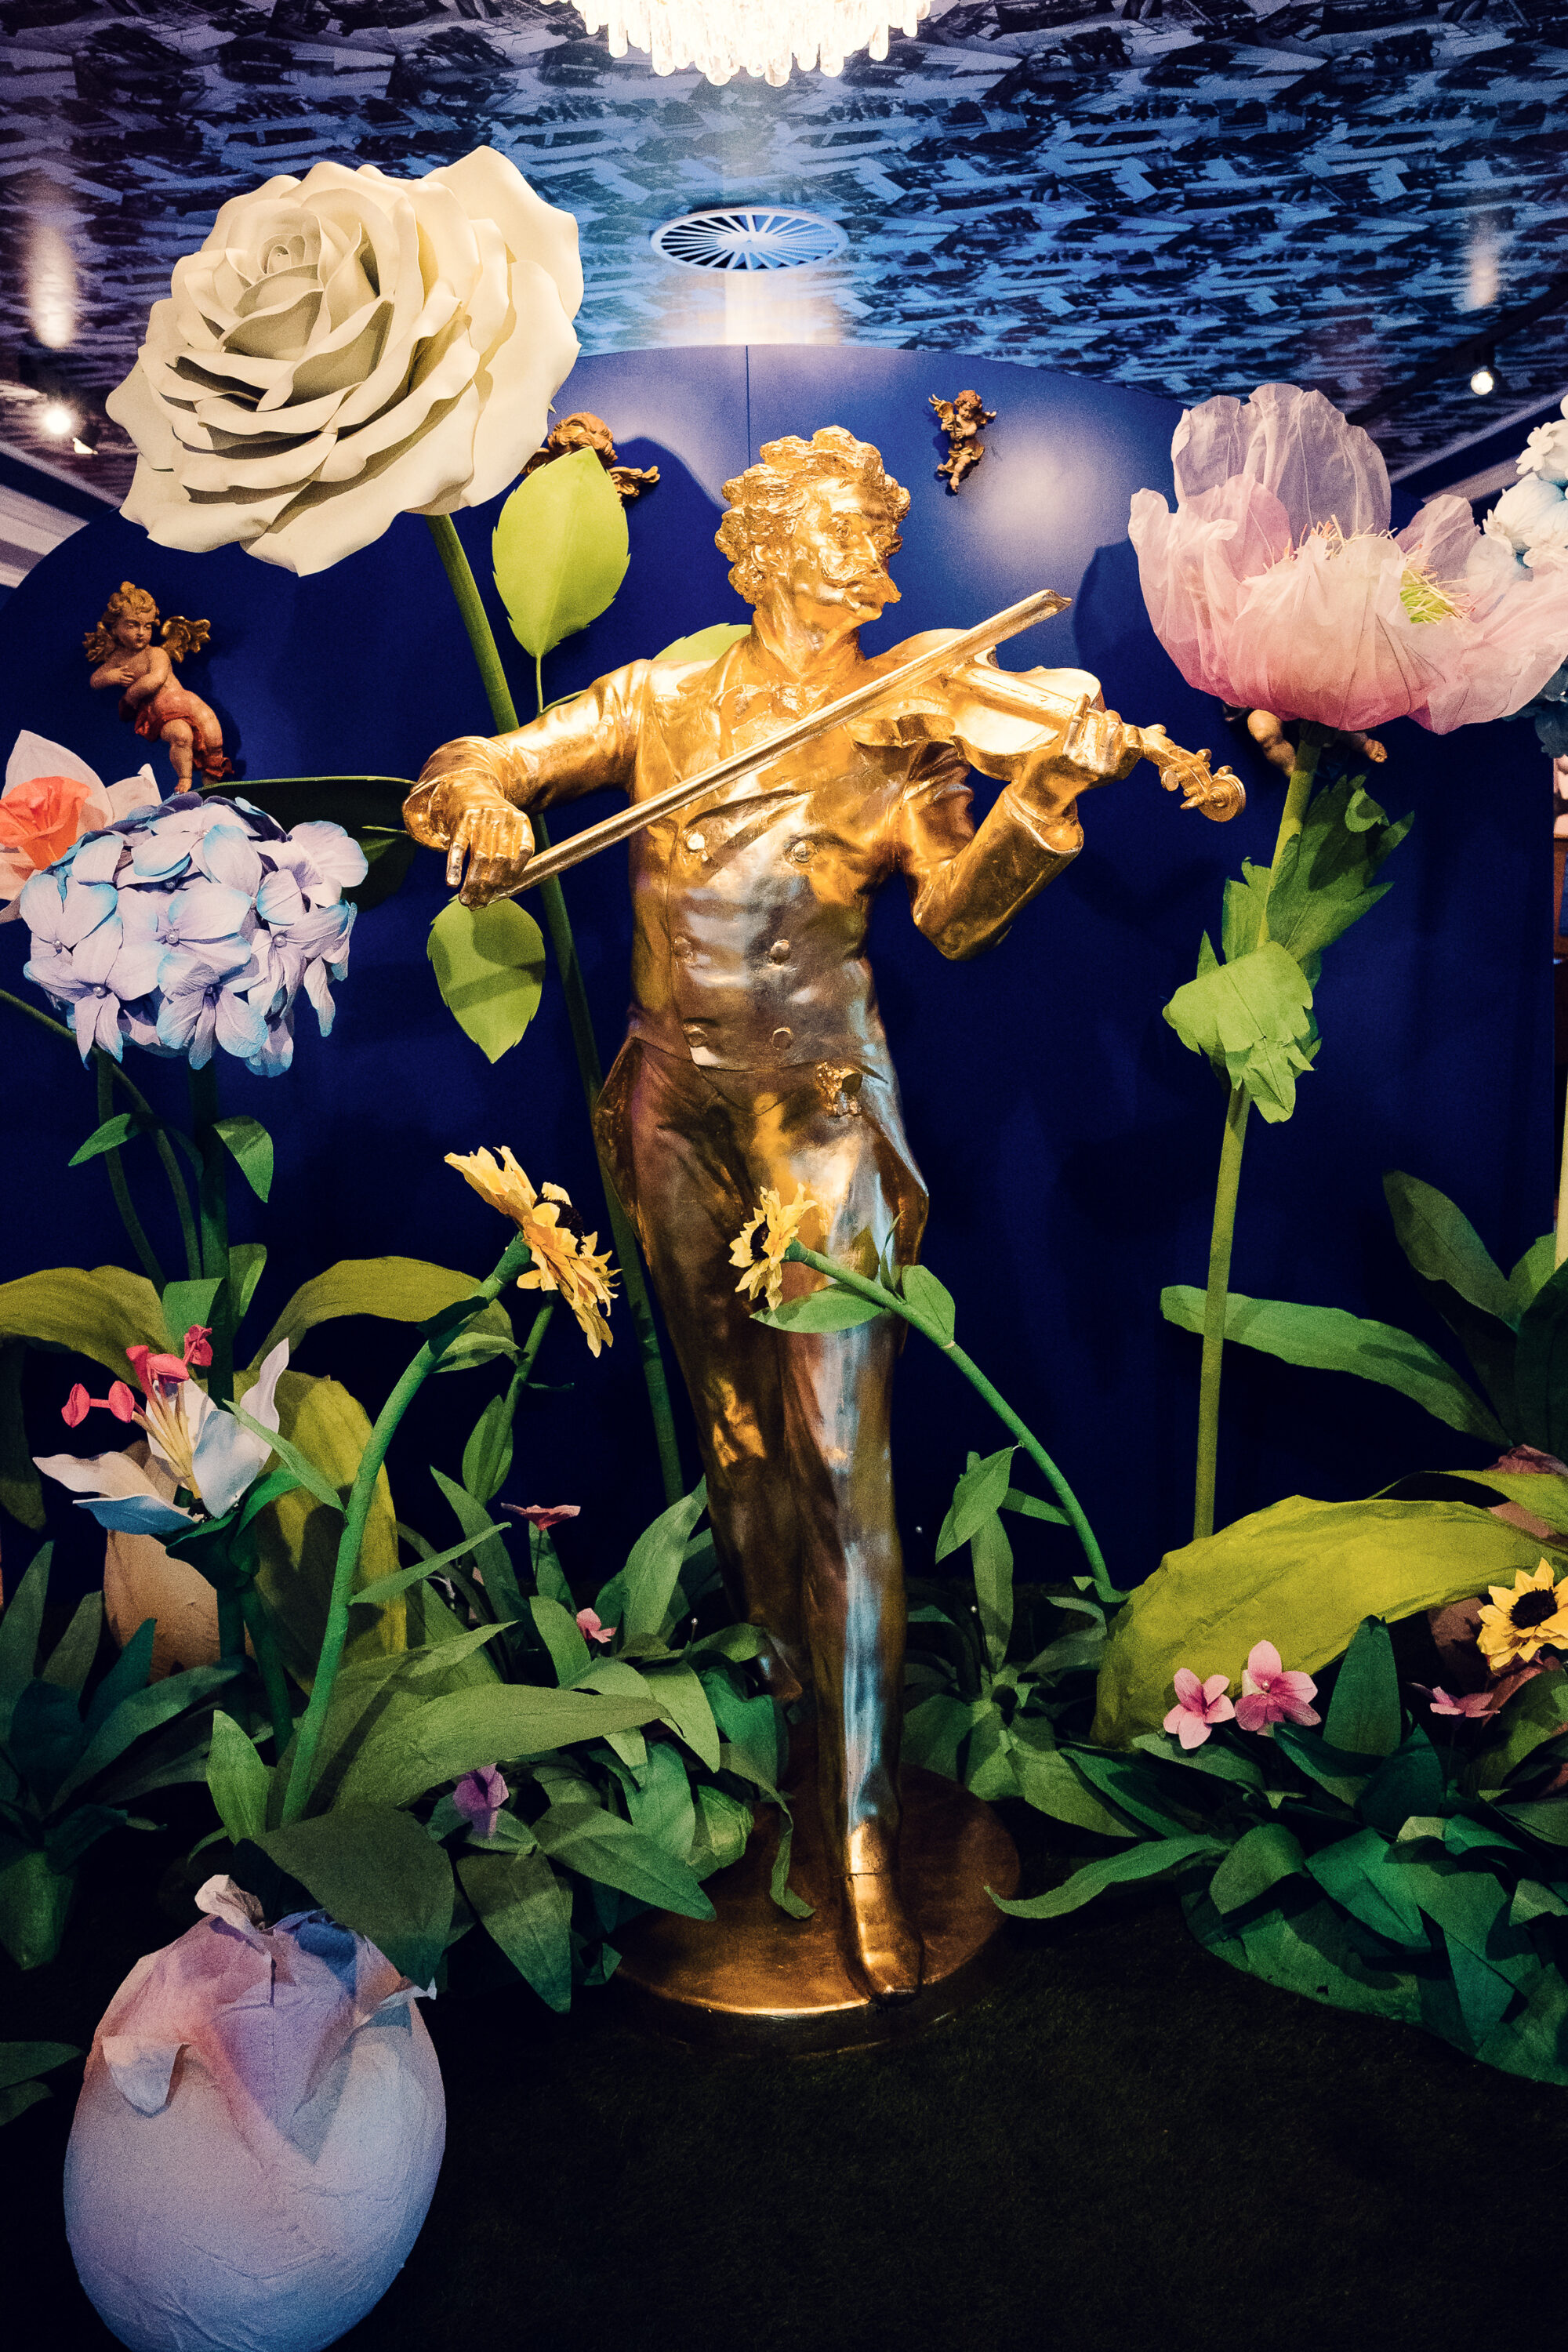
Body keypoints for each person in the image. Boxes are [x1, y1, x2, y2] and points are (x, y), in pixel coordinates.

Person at [405, 426, 1135, 2000]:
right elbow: (489, 762)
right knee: (739, 1458)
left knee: (839, 1466)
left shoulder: (905, 718)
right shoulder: (669, 694)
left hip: (817, 1122)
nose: (855, 554)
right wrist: (483, 812)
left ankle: (864, 1830)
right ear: (762, 550)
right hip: (669, 1109)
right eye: (825, 528)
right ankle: (790, 1749)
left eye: (868, 528)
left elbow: (952, 917)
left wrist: (1045, 800)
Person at [84, 583, 230, 787]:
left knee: (213, 735)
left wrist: (130, 697)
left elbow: (156, 679)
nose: (141, 632)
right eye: (133, 624)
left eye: (148, 626)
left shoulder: (156, 653)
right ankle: (185, 779)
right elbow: (95, 680)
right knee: (181, 735)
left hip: (186, 701)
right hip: (160, 710)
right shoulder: (117, 659)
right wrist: (112, 677)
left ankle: (212, 782)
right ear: (115, 628)